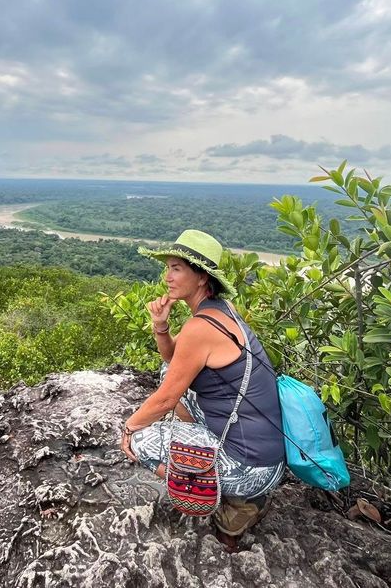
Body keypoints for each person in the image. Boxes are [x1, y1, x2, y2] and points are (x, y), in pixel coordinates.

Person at [119, 229, 285, 551]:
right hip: (266, 454)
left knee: (142, 442)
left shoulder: (201, 327)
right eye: (167, 267)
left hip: (250, 467)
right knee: (172, 376)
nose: (167, 276)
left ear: (201, 277)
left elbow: (167, 397)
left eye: (177, 268)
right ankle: (214, 468)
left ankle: (232, 503)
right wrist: (161, 326)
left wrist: (130, 427)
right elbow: (175, 361)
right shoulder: (219, 311)